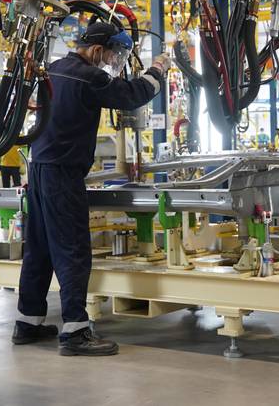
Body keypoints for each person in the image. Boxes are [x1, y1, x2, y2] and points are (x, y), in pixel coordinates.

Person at [14, 21, 170, 356]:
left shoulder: (54, 69)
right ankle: (75, 331)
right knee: (72, 248)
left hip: (38, 168)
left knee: (39, 249)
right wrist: (158, 70)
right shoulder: (90, 76)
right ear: (97, 50)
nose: (113, 63)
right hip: (62, 174)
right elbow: (131, 96)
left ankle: (28, 322)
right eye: (113, 55)